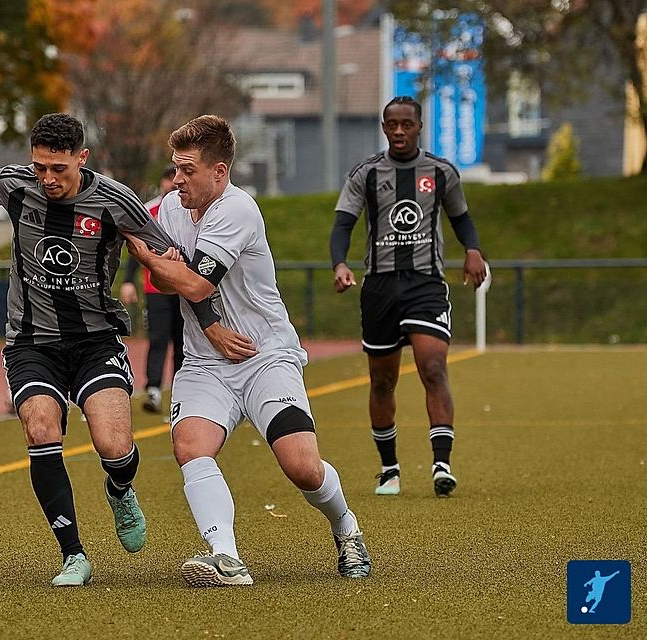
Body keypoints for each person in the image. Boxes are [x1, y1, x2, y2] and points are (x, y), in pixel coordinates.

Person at [0, 113, 218, 587]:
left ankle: (120, 489)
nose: (48, 178)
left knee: (114, 445)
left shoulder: (116, 200)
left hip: (95, 340)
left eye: (58, 168)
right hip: (31, 342)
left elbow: (171, 264)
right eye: (40, 166)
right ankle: (73, 555)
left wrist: (205, 316)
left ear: (82, 158)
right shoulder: (18, 185)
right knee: (41, 429)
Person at [123, 114, 371, 586]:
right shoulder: (171, 209)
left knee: (302, 467)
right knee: (191, 447)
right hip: (204, 362)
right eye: (175, 168)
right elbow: (164, 278)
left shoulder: (238, 209)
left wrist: (153, 260)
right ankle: (225, 556)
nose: (177, 180)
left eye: (188, 170)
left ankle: (346, 527)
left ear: (219, 172)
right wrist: (208, 325)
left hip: (264, 356)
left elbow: (193, 283)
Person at [330, 96, 488, 498]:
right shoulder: (365, 174)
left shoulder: (440, 171)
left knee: (432, 367)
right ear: (384, 128)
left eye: (406, 124)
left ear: (419, 127)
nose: (399, 131)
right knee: (383, 380)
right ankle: (389, 469)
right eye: (392, 124)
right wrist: (340, 263)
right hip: (380, 286)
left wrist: (473, 249)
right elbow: (343, 223)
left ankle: (441, 464)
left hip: (426, 283)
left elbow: (461, 217)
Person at [119, 165, 185, 413]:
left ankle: (182, 392)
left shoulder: (189, 210)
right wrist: (128, 281)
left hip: (184, 289)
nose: (173, 184)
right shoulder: (149, 211)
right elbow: (135, 249)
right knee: (158, 339)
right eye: (169, 179)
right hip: (155, 289)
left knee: (183, 342)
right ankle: (154, 390)